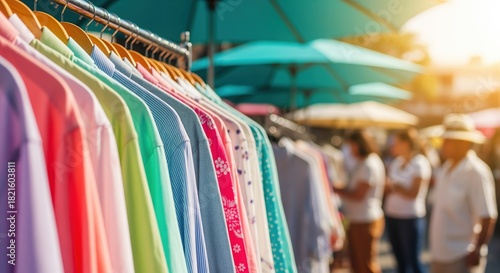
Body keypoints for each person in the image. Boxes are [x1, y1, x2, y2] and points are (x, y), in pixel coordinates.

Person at [430, 114, 498, 273]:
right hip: (439, 253)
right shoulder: (446, 167)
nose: (443, 145)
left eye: (449, 141)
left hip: (461, 255)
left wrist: (477, 250)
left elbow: (488, 216)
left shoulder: (477, 172)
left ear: (463, 143)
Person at [334, 130, 385, 273]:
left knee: (365, 264)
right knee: (357, 263)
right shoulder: (363, 162)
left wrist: (337, 190)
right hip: (359, 219)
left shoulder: (369, 163)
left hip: (365, 220)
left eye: (351, 146)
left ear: (359, 145)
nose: (349, 150)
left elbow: (358, 194)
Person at [384, 129, 432, 273]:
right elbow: (387, 188)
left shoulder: (420, 162)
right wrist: (395, 187)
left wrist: (395, 186)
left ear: (405, 144)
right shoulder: (396, 162)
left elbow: (413, 193)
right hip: (392, 215)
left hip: (410, 218)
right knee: (400, 261)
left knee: (413, 261)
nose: (392, 146)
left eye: (396, 142)